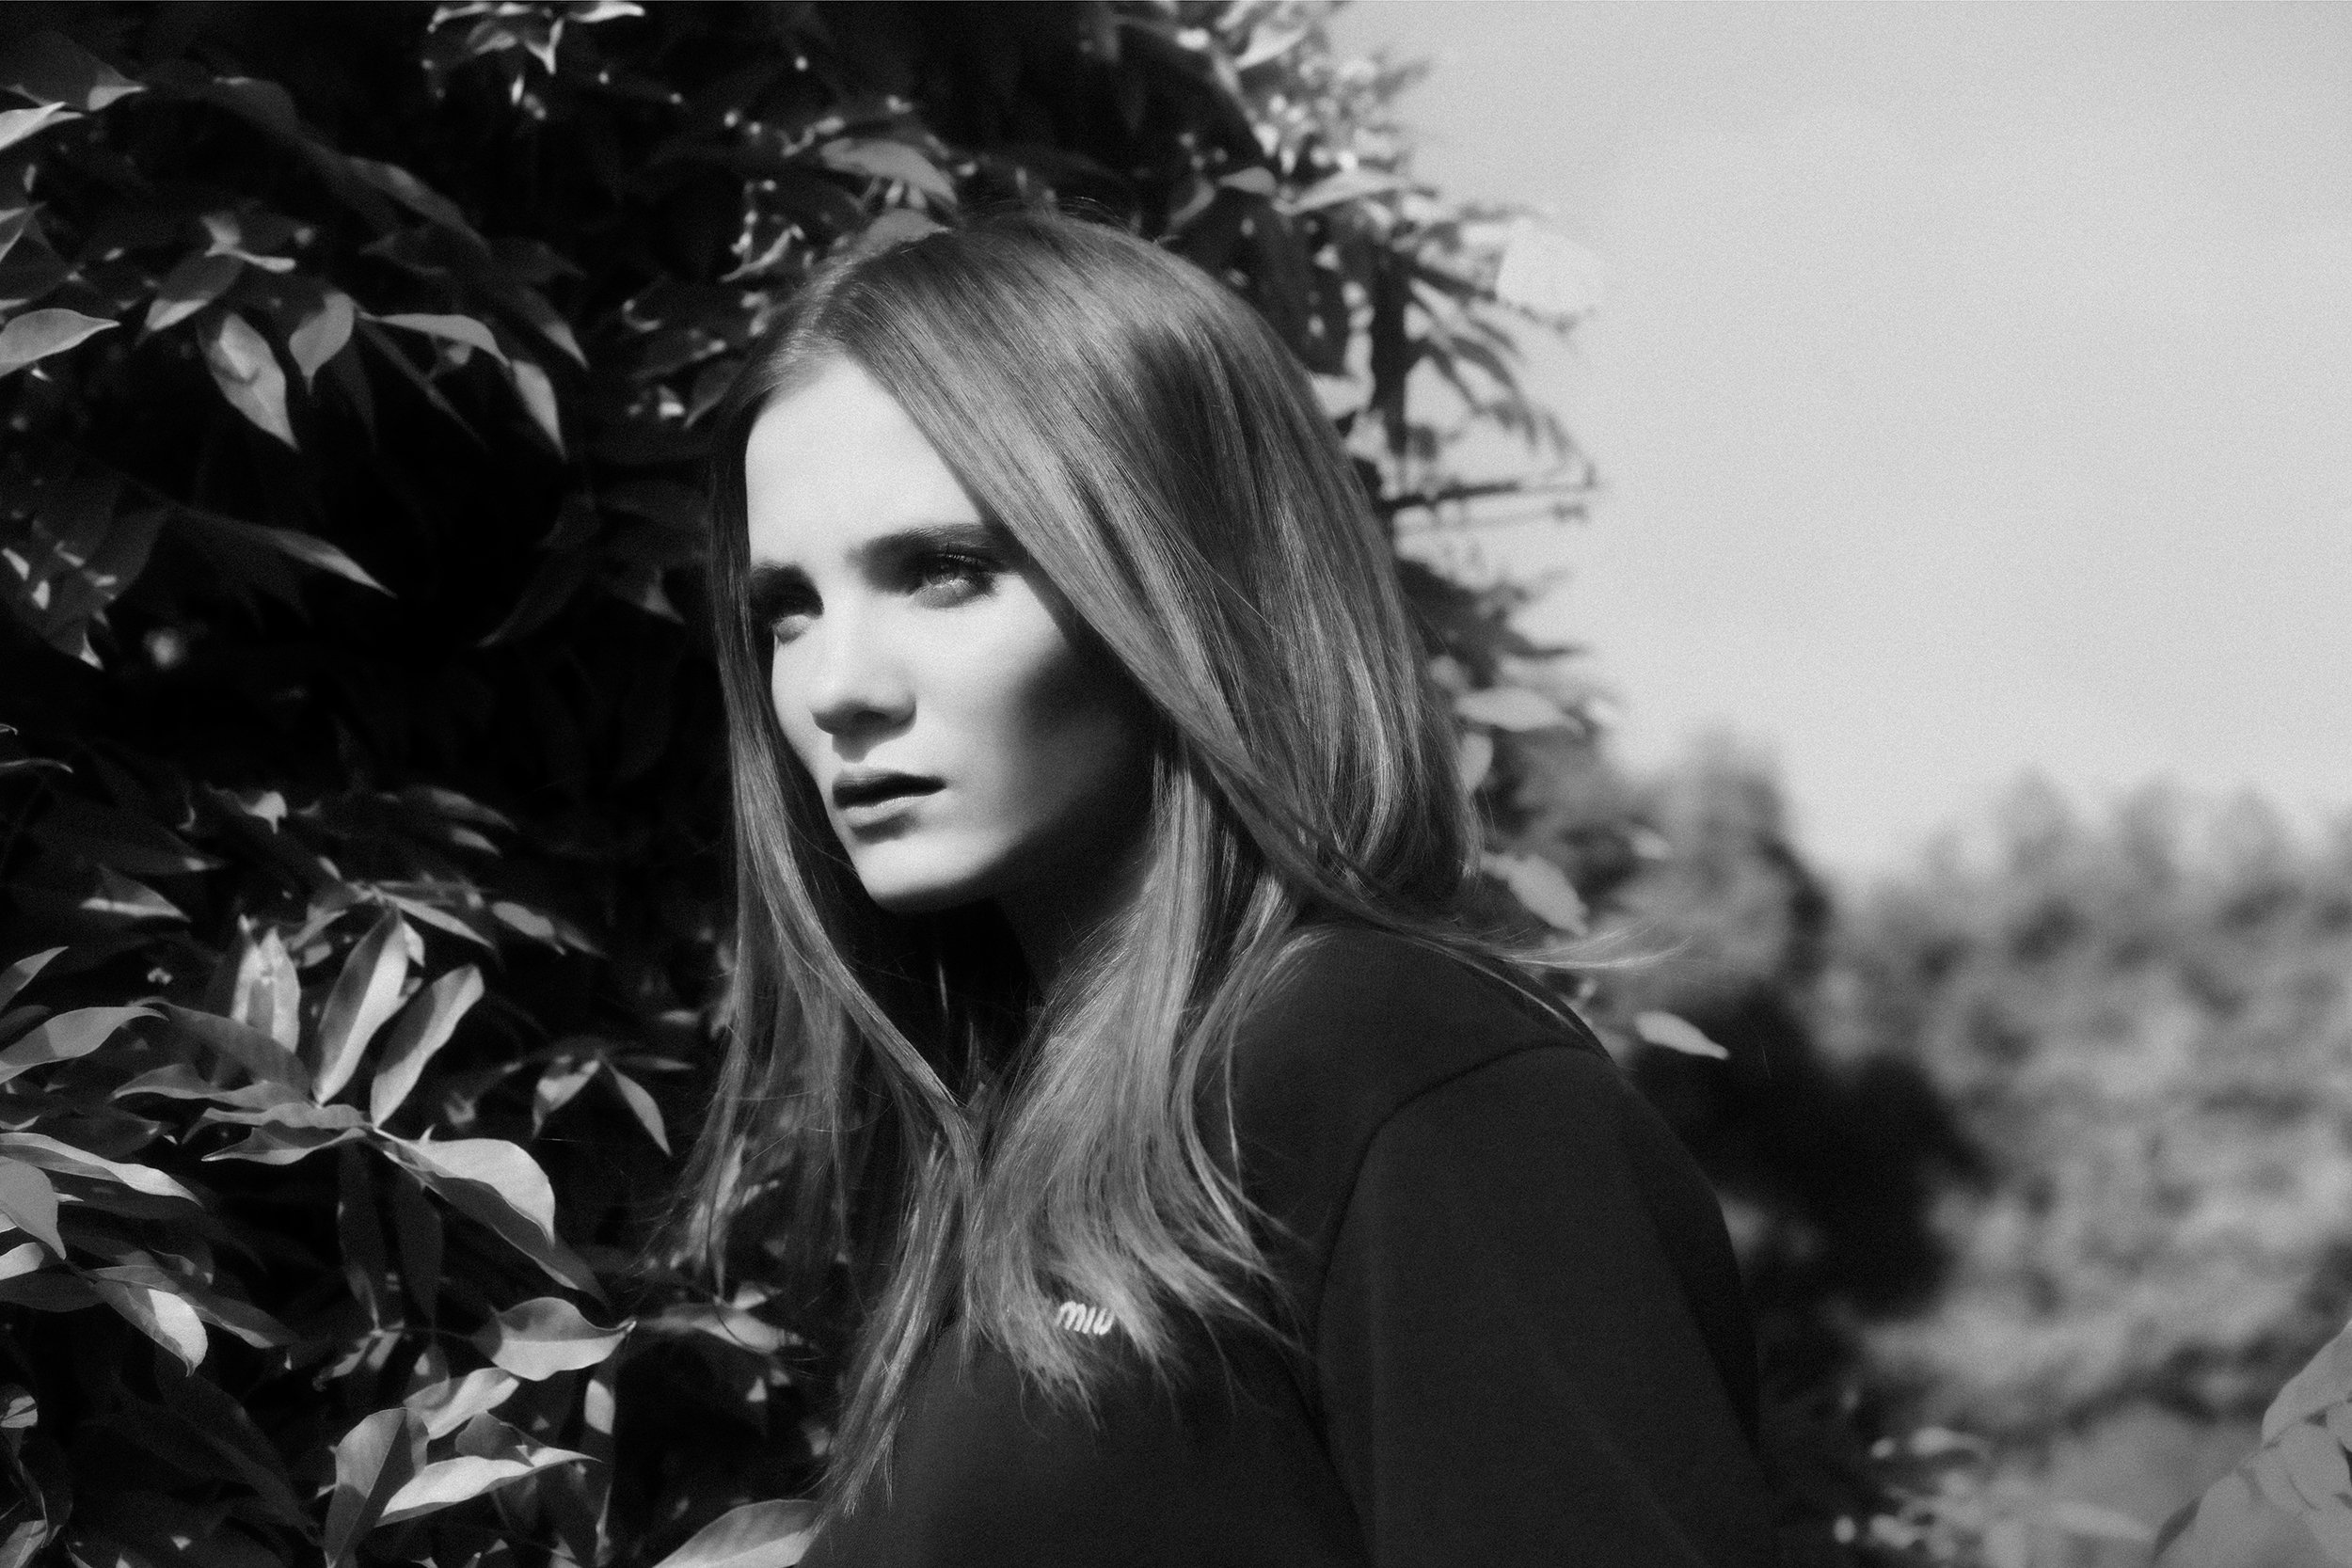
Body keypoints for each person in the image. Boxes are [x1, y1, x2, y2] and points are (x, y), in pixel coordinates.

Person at [688, 208, 1779, 1566]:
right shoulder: (1027, 1153)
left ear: (1183, 580)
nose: (836, 687)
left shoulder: (1401, 1078)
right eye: (786, 611)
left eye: (945, 572)